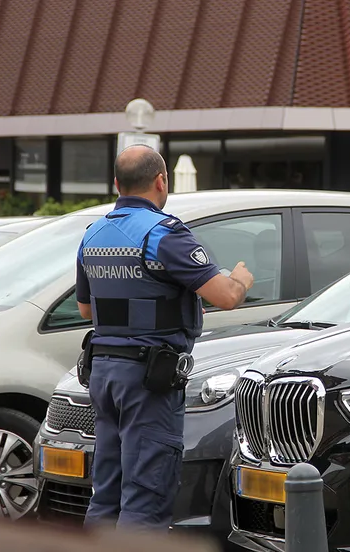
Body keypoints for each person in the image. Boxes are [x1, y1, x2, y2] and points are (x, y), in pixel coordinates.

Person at [76, 145, 254, 531]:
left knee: (106, 491)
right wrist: (240, 277)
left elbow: (87, 311)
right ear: (161, 181)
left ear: (116, 184)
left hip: (104, 376)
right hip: (148, 380)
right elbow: (226, 297)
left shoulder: (93, 235)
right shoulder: (165, 235)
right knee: (147, 494)